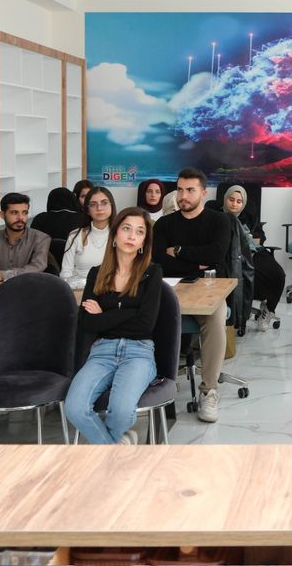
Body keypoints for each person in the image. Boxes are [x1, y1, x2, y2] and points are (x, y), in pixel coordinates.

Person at [64, 207, 162, 445]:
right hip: (102, 351)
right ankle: (117, 445)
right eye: (126, 228)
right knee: (74, 408)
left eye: (139, 232)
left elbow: (145, 324)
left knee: (121, 412)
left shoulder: (152, 273)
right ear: (115, 234)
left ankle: (110, 448)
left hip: (139, 352)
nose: (132, 236)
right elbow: (88, 323)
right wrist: (129, 312)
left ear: (143, 241)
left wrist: (106, 314)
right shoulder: (96, 274)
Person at [152, 167, 231, 423]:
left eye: (190, 190)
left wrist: (178, 251)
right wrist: (197, 261)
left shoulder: (219, 221)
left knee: (215, 320)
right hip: (169, 288)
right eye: (180, 190)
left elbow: (217, 255)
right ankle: (158, 382)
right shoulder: (164, 224)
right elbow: (158, 261)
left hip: (208, 287)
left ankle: (209, 391)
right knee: (145, 314)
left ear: (203, 193)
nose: (183, 196)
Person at [223, 185, 285, 329]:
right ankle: (242, 309)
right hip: (229, 255)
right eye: (231, 200)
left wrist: (251, 238)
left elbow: (261, 236)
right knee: (242, 274)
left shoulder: (248, 216)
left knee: (277, 274)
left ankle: (269, 308)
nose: (234, 204)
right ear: (225, 199)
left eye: (239, 201)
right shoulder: (217, 215)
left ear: (243, 203)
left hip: (252, 251)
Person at [0, 193, 50, 282]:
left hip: (27, 287)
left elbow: (37, 267)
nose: (20, 218)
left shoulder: (41, 239)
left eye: (24, 213)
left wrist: (2, 275)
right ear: (2, 215)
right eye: (14, 212)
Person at [59, 187, 114, 281]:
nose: (99, 208)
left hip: (111, 286)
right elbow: (66, 273)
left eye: (104, 203)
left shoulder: (120, 235)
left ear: (112, 206)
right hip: (79, 286)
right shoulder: (75, 236)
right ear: (87, 210)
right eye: (93, 204)